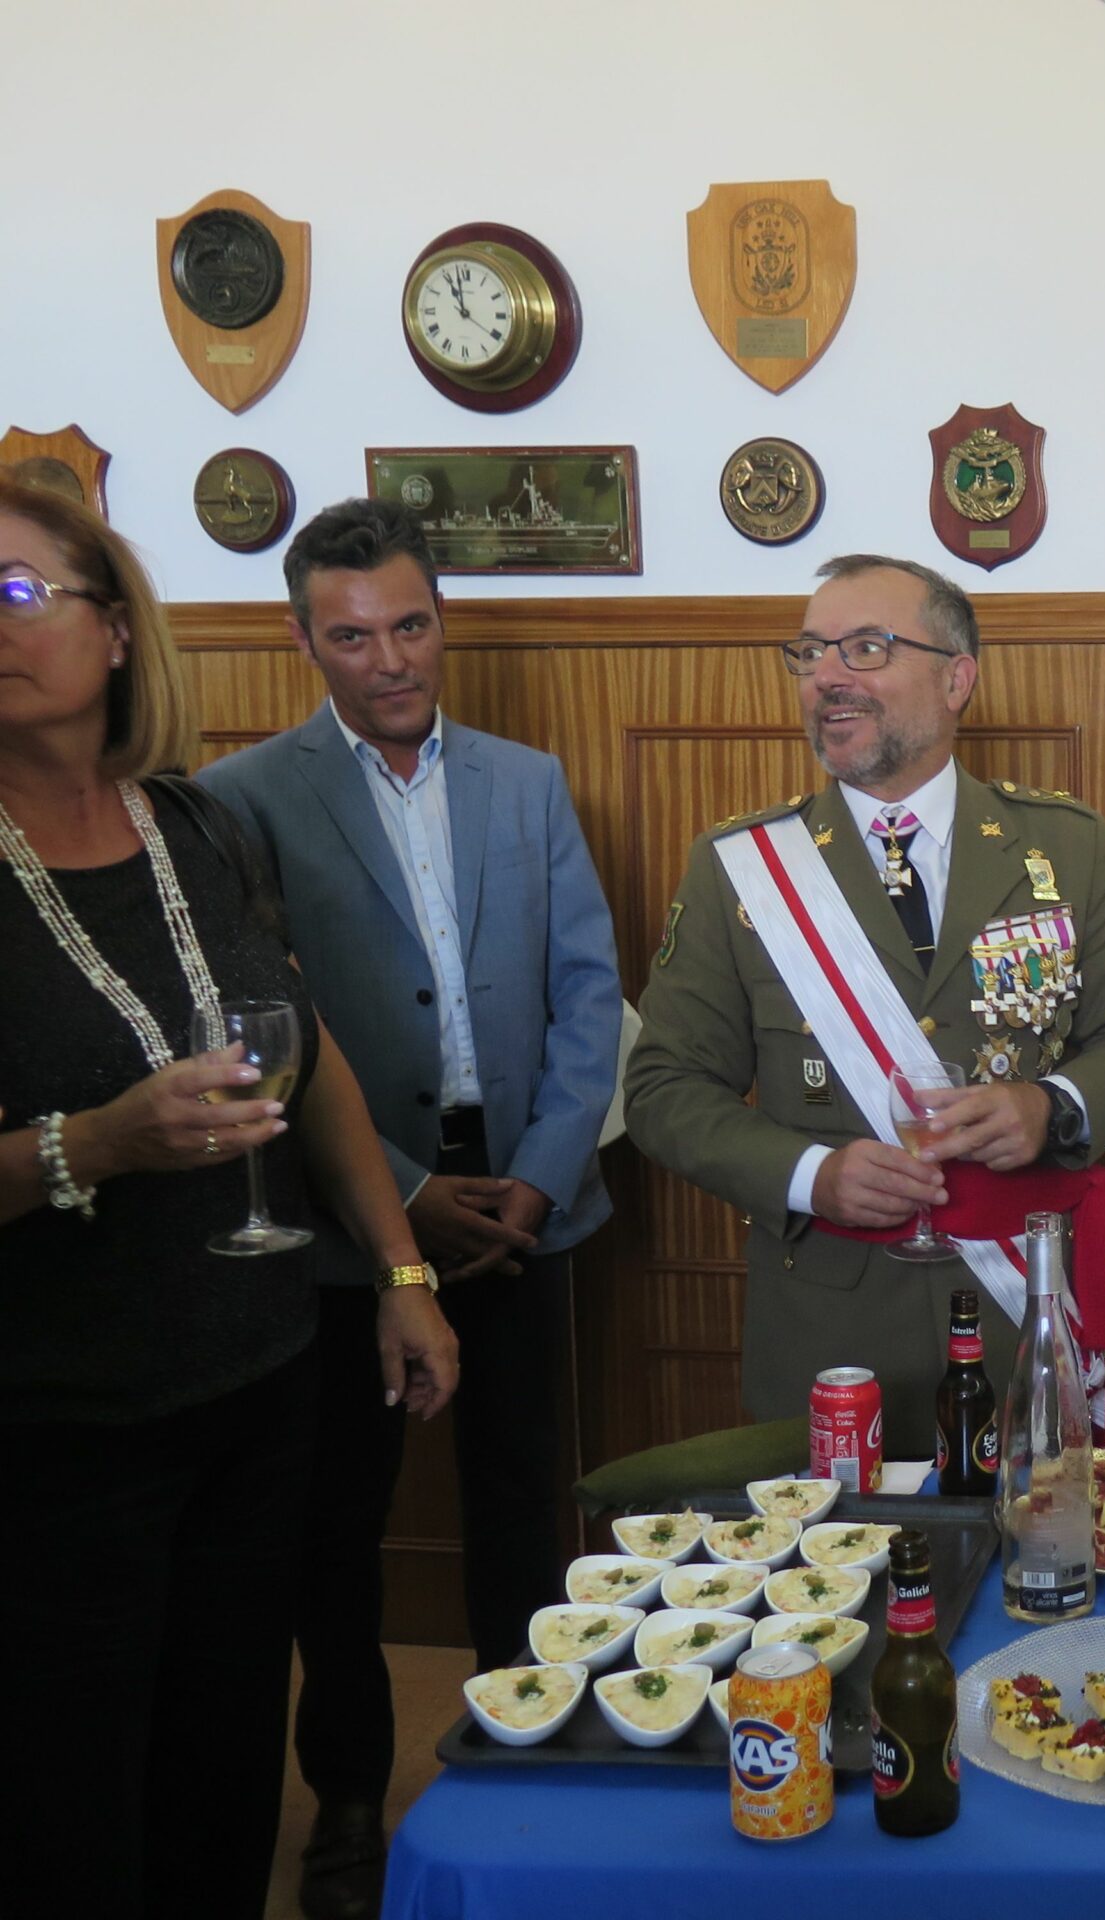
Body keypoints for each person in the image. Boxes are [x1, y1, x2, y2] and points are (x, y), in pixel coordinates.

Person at [0, 478, 457, 1920]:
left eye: (17, 594)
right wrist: (98, 1147)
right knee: (72, 1803)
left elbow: (304, 1057)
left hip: (257, 1386)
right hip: (62, 1430)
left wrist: (397, 1269)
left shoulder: (194, 827)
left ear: (119, 628)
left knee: (220, 1769)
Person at [194, 498, 620, 1920]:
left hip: (526, 1209)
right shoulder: (243, 800)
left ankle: (524, 1769)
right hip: (345, 1235)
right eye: (353, 635)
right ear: (304, 637)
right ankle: (357, 1804)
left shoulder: (529, 781)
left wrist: (540, 1179)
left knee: (521, 1513)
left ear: (444, 618)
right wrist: (410, 1200)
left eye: (413, 625)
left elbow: (586, 1006)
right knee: (338, 1543)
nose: (390, 660)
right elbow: (269, 1036)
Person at [623, 554, 1105, 1452]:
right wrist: (814, 1174)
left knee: (1038, 1570)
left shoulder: (1062, 846)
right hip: (832, 1333)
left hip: (1022, 1312)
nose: (826, 676)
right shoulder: (743, 869)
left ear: (957, 678)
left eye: (866, 647)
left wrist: (1050, 1106)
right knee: (848, 1588)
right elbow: (660, 1090)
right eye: (809, 653)